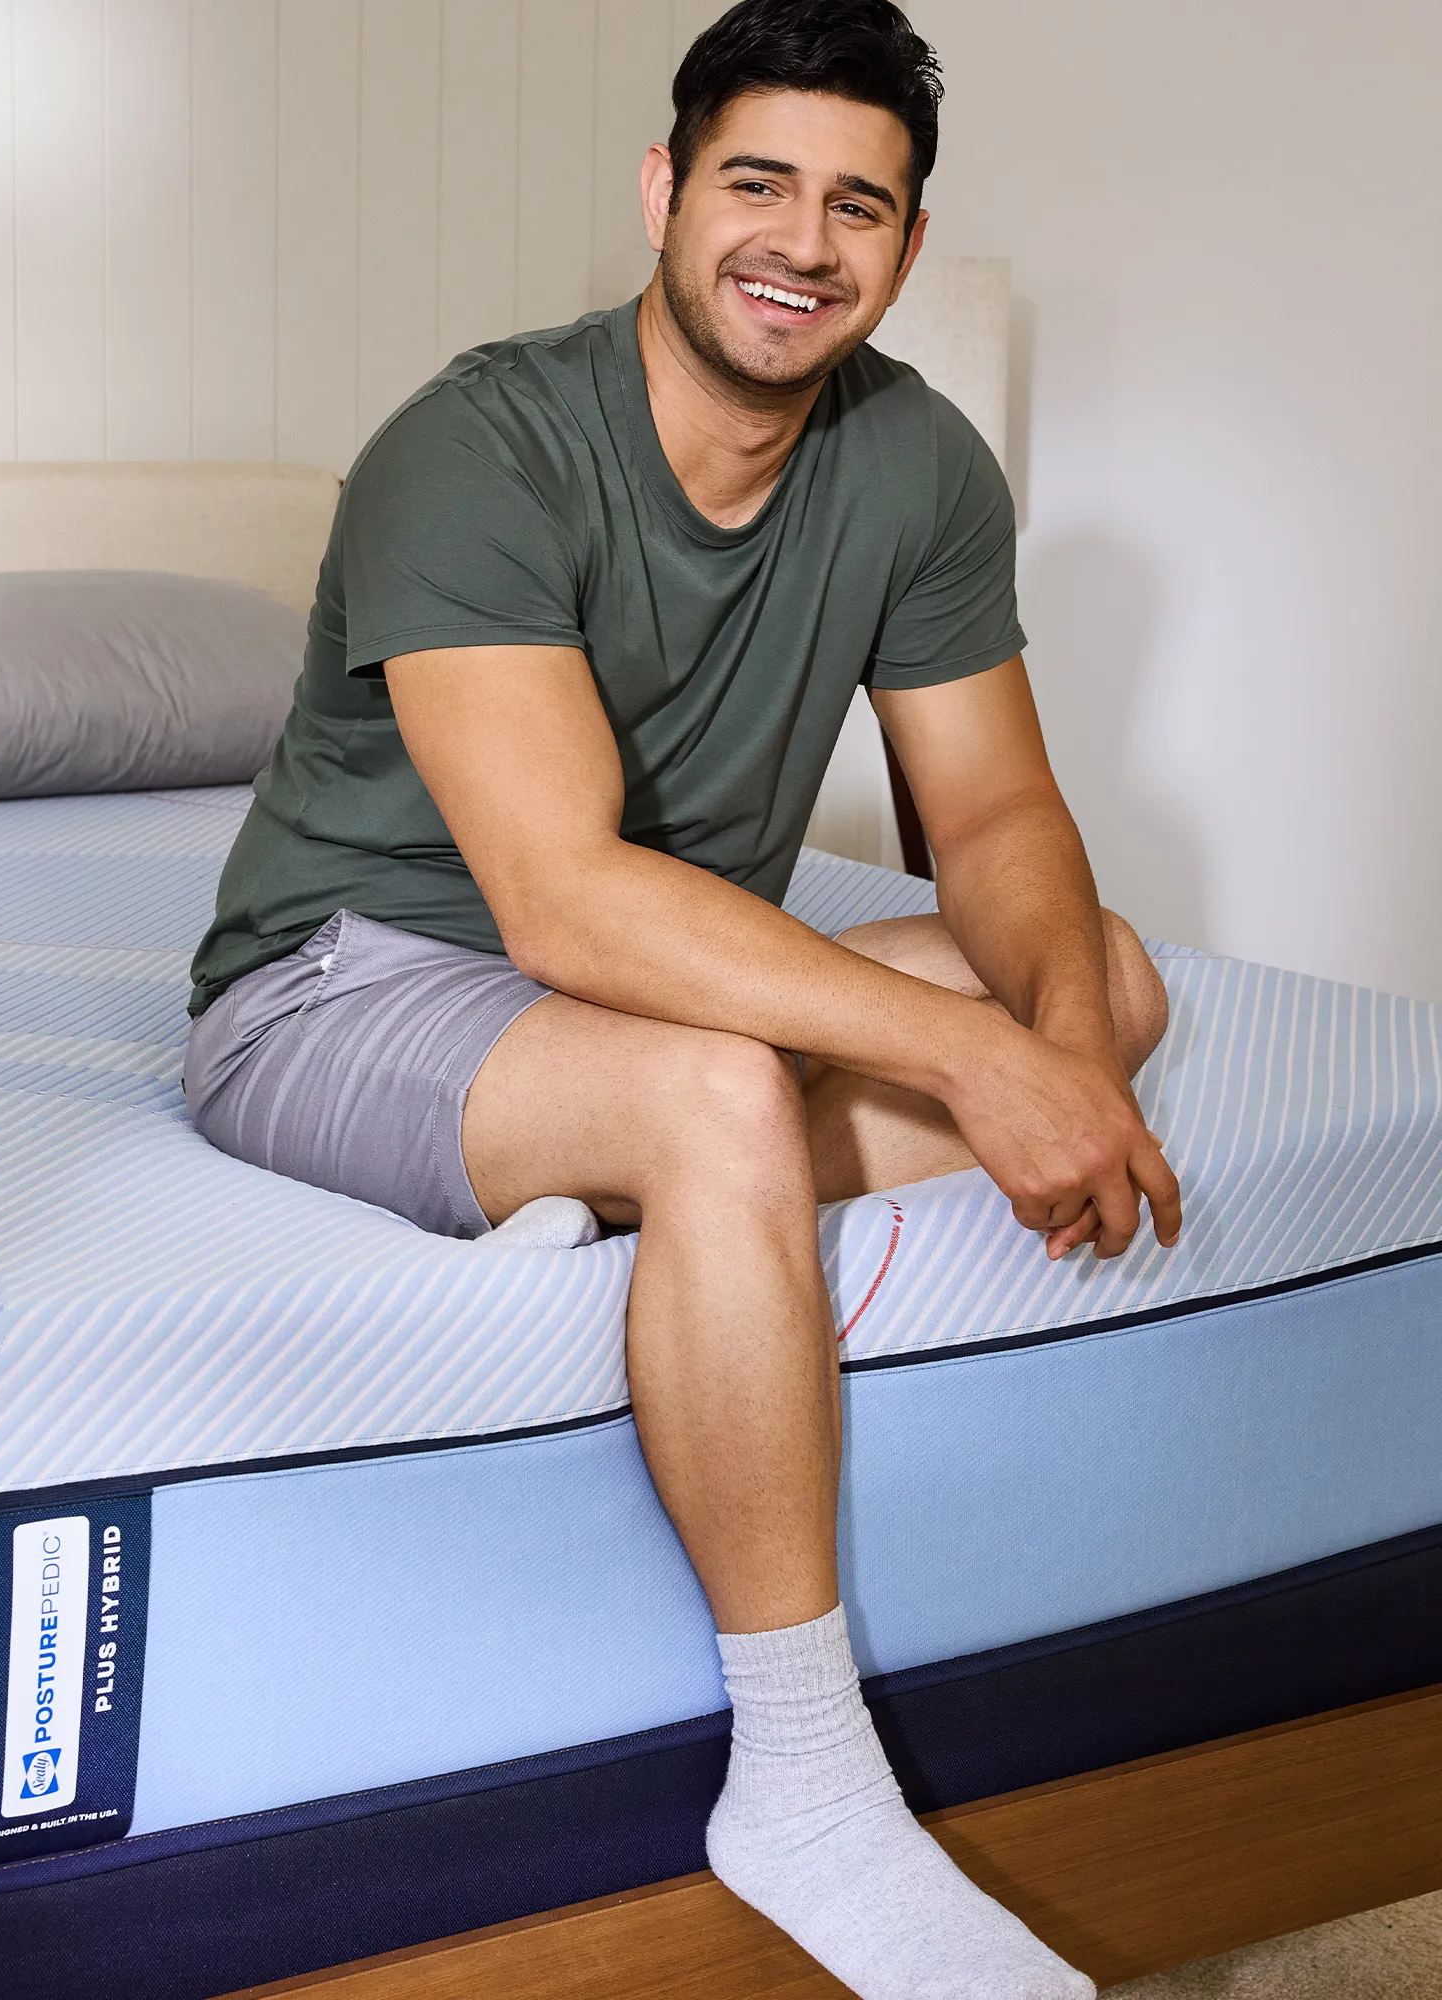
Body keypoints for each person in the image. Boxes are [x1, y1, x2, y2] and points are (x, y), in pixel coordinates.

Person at [185, 1, 1181, 1992]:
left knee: (1115, 979)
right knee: (721, 1093)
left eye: (855, 206)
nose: (800, 243)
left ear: (903, 243)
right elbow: (559, 900)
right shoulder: (473, 447)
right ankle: (801, 1783)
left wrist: (1062, 1057)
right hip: (346, 986)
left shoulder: (917, 464)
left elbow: (994, 815)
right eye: (757, 184)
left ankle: (632, 1206)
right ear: (663, 192)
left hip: (652, 994)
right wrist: (968, 1059)